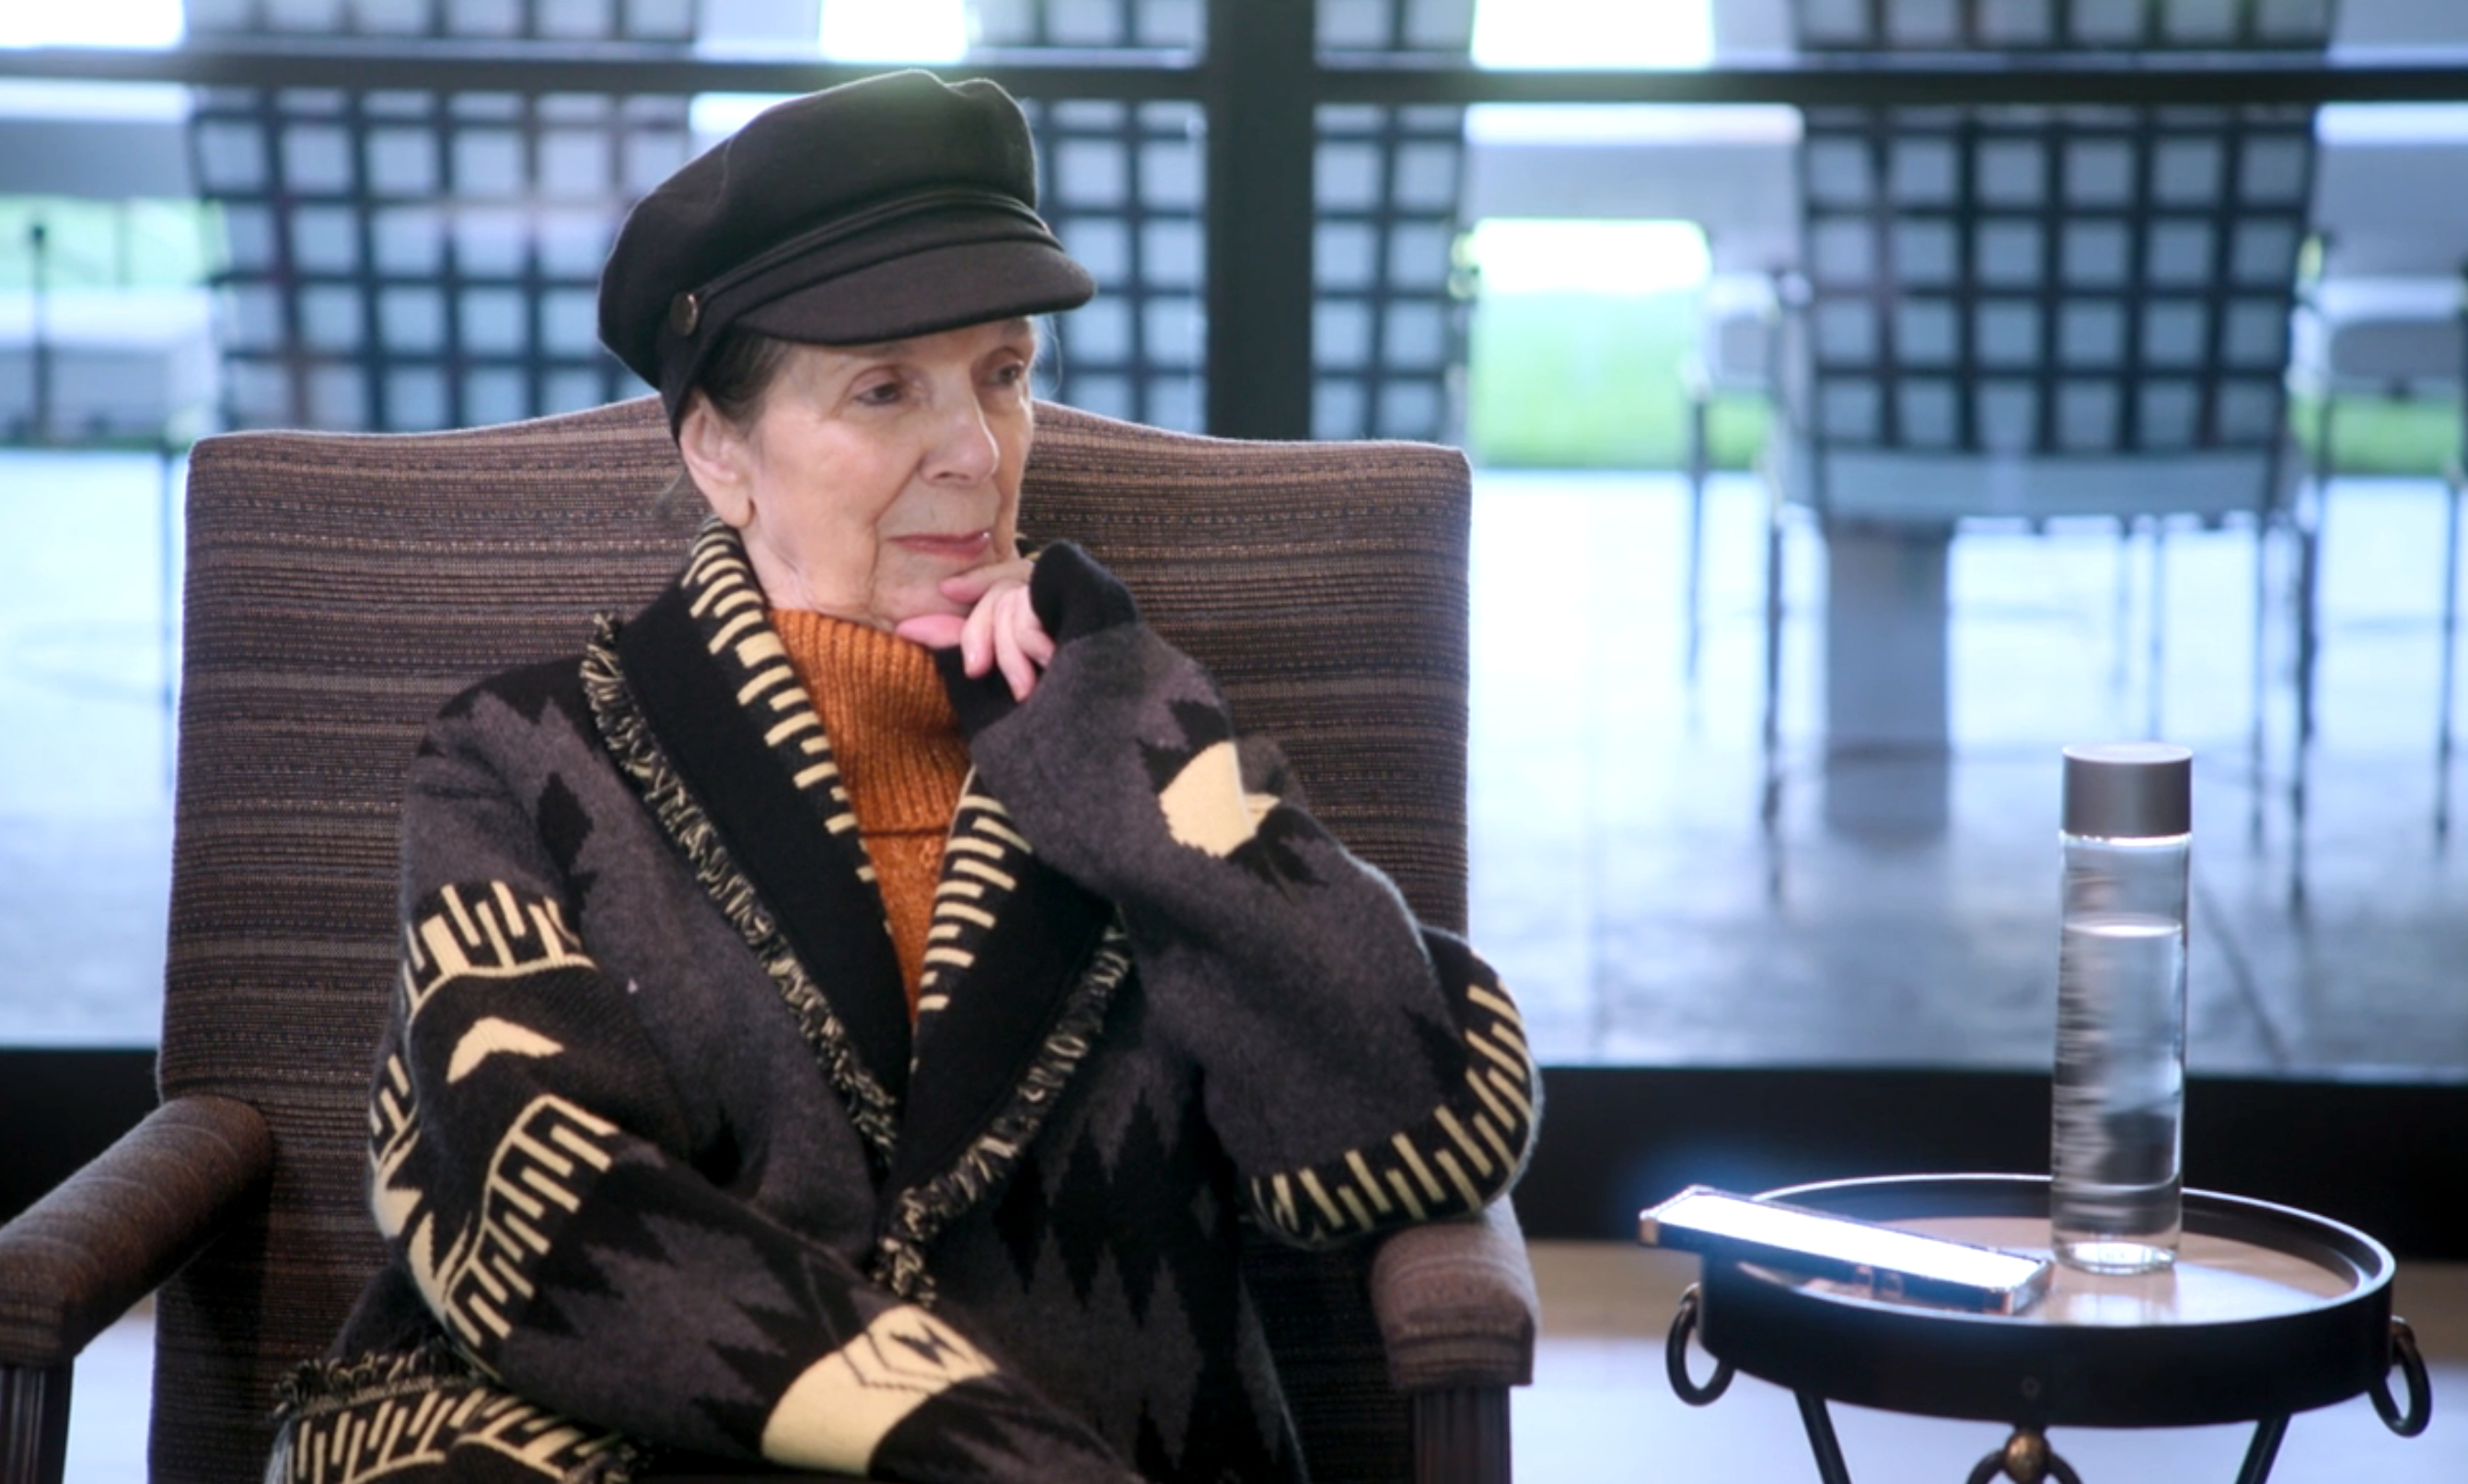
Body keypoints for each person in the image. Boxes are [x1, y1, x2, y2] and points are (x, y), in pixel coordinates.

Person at [271, 69, 1537, 1484]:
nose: (977, 451)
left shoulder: (1134, 740)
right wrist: (964, 1443)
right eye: (885, 391)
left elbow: (1421, 1128)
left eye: (1002, 373)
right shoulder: (519, 757)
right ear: (718, 452)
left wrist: (1117, 732)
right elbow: (536, 1208)